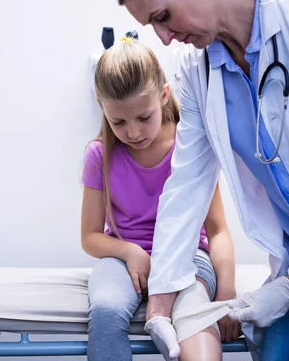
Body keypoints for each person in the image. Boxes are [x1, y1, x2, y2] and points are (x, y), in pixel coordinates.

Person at [112, 0, 289, 360]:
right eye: (153, 26)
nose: (163, 38)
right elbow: (186, 186)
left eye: (162, 17)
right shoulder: (197, 71)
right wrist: (161, 302)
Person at [80, 36, 239, 361]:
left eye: (143, 118)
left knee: (194, 316)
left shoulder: (189, 147)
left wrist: (226, 293)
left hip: (188, 254)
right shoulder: (100, 155)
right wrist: (130, 251)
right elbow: (90, 237)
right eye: (119, 122)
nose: (133, 133)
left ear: (164, 96)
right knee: (107, 312)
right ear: (103, 110)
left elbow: (218, 229)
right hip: (123, 259)